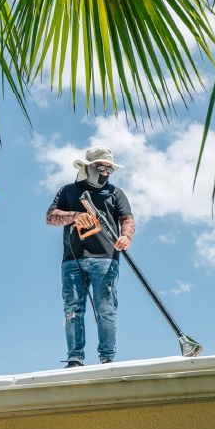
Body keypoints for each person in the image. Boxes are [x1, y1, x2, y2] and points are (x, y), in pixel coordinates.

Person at [46, 146, 136, 368]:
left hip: (106, 258)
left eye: (109, 169)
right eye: (101, 167)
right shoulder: (68, 191)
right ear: (88, 167)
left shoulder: (115, 193)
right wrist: (76, 216)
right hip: (72, 260)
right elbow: (51, 217)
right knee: (73, 310)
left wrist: (126, 237)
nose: (105, 172)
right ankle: (75, 359)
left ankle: (107, 358)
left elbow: (127, 219)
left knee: (106, 308)